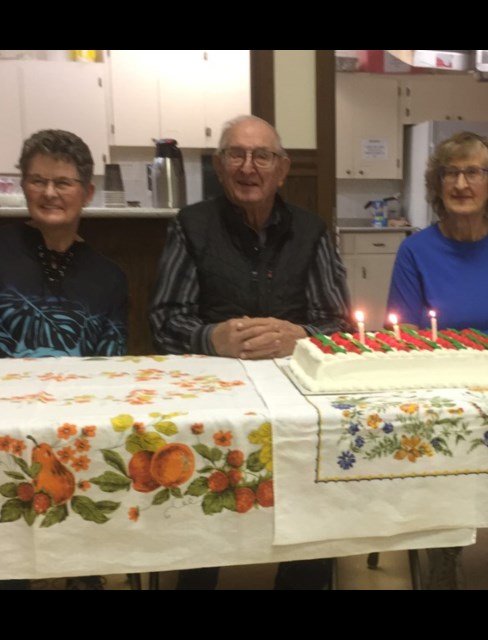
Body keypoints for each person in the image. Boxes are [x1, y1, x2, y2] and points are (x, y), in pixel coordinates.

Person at [150, 115, 350, 589]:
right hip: (211, 394)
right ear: (220, 167)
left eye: (262, 156)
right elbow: (163, 319)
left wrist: (300, 335)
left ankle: (305, 577)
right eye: (236, 155)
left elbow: (338, 324)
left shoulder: (312, 230)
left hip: (297, 393)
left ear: (281, 169)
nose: (248, 166)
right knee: (198, 477)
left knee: (320, 471)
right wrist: (212, 338)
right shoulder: (191, 226)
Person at [0, 129, 128, 589]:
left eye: (62, 182)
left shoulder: (109, 277)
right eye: (37, 181)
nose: (49, 193)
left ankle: (84, 572)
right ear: (23, 186)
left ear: (87, 192)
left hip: (74, 426)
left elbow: (110, 367)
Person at [387, 131, 488, 590]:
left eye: (473, 172)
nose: (461, 183)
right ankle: (445, 546)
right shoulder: (415, 250)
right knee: (444, 436)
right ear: (437, 184)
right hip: (445, 385)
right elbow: (404, 340)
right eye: (450, 173)